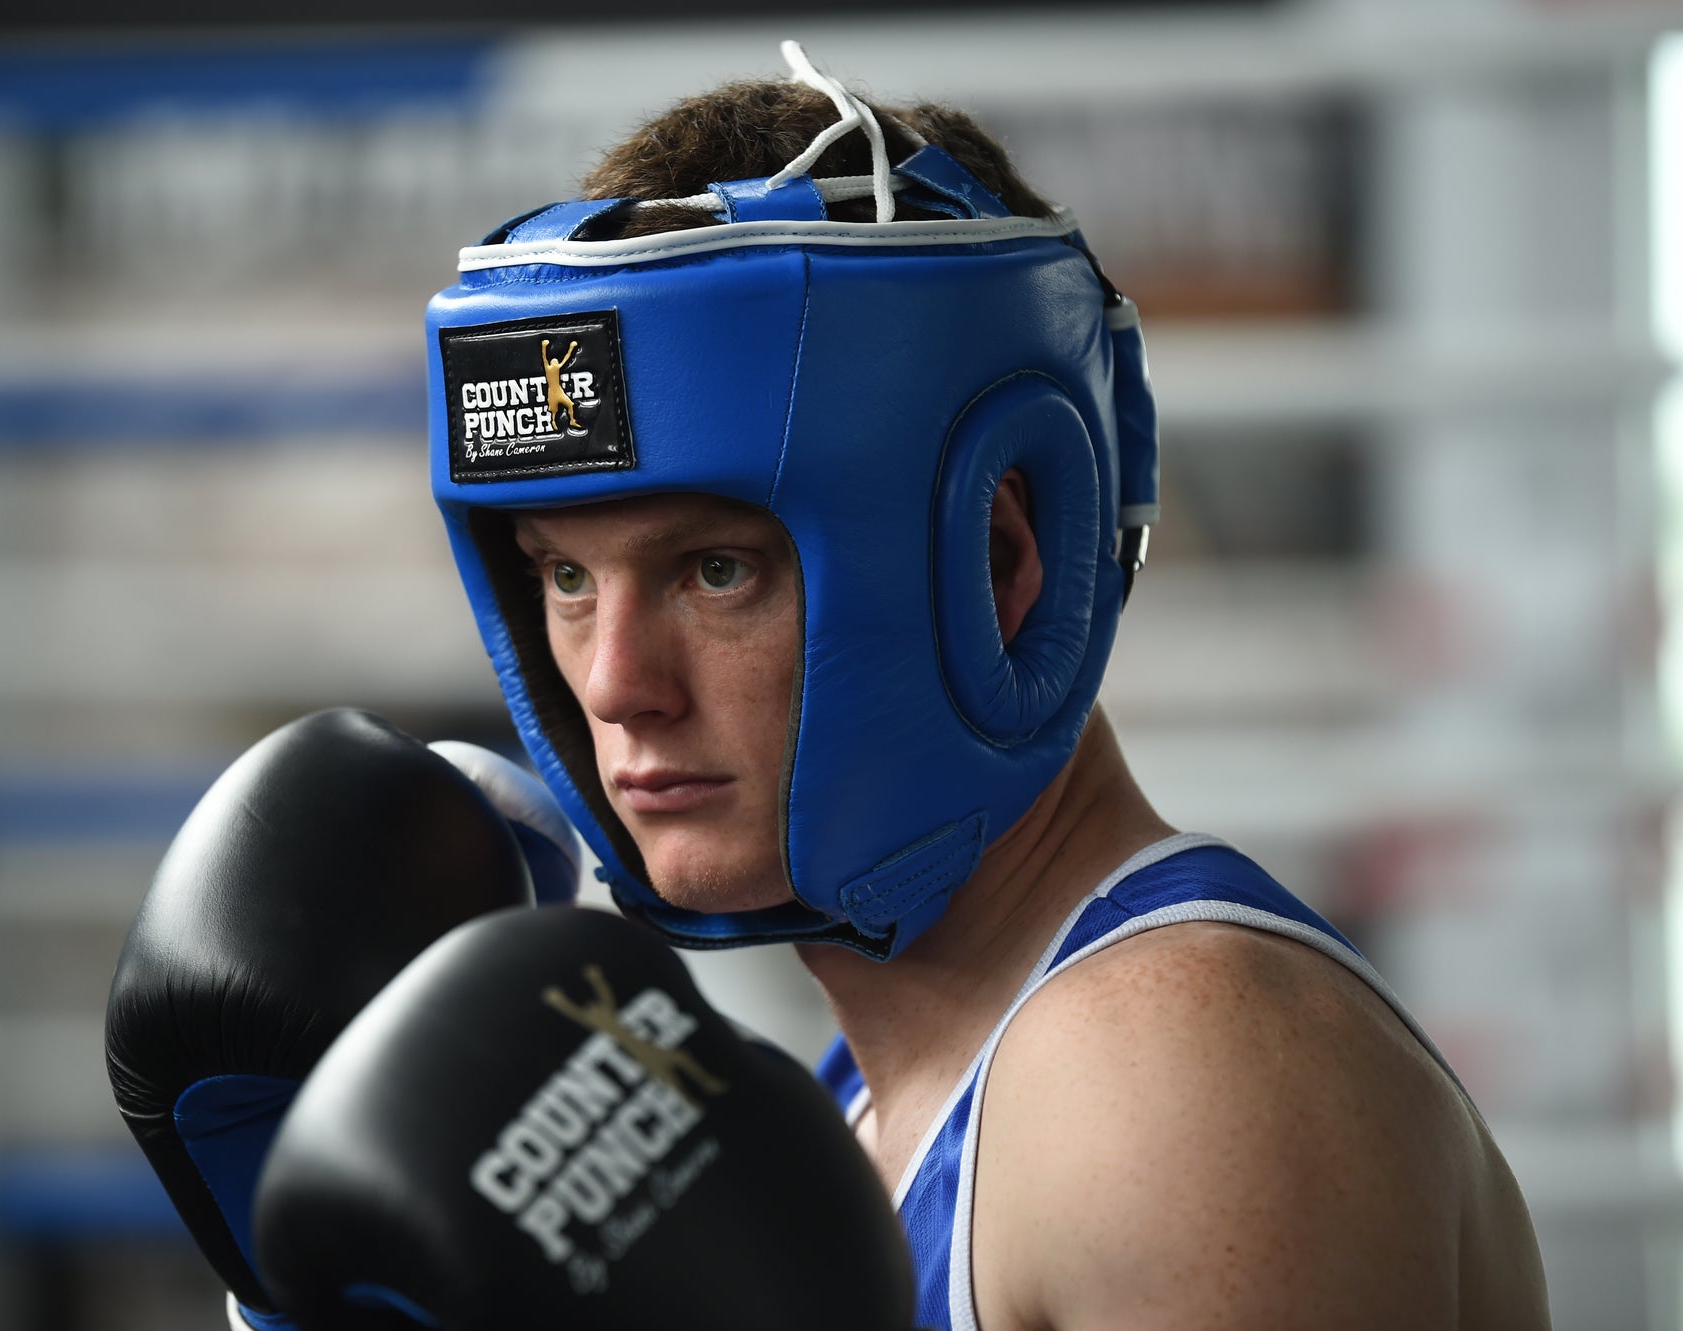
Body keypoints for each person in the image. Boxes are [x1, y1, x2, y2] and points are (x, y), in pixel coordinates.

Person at [423, 42, 1553, 1331]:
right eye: (566, 579)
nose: (618, 685)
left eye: (716, 569)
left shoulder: (1163, 1071)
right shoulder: (877, 1096)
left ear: (997, 562)